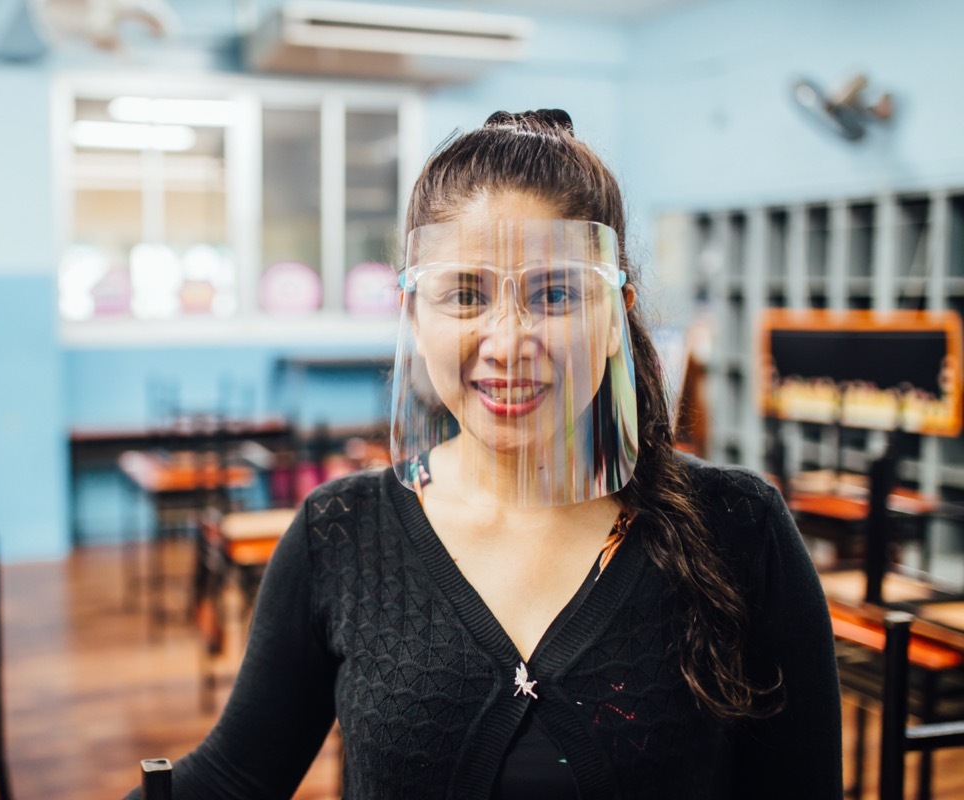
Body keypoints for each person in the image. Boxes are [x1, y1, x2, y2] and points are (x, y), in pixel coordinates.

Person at [123, 109, 842, 799]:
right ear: (413, 312)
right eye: (465, 294)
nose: (507, 343)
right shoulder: (340, 537)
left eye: (555, 294)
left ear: (616, 312)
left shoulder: (740, 528)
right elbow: (233, 778)